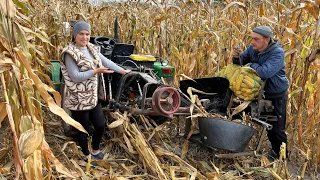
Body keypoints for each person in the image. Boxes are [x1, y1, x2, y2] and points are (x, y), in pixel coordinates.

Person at [60, 20, 131, 159]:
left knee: (100, 125)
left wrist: (122, 71)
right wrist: (96, 71)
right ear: (75, 35)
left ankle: (95, 149)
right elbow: (75, 77)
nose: (84, 37)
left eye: (87, 34)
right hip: (78, 98)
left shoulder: (92, 48)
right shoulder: (70, 53)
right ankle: (86, 155)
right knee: (83, 129)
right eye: (81, 34)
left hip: (92, 96)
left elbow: (106, 61)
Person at [232, 26, 289, 160]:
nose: (252, 42)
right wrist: (236, 57)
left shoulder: (277, 53)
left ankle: (283, 158)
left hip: (276, 95)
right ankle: (274, 153)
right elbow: (240, 62)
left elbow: (265, 72)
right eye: (252, 38)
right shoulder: (253, 48)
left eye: (256, 39)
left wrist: (251, 66)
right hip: (261, 94)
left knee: (277, 129)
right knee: (267, 124)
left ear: (267, 40)